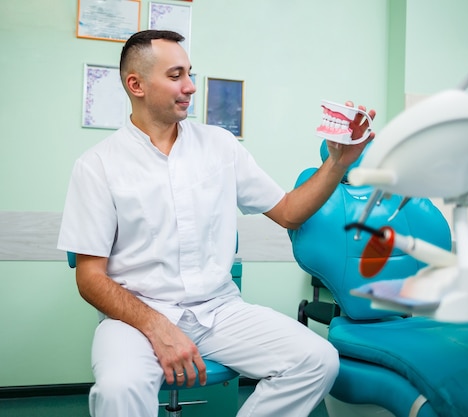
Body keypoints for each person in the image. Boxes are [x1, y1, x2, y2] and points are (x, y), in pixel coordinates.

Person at [57, 29, 375, 417]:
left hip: (218, 310)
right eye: (176, 76)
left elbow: (289, 211)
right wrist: (158, 328)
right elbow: (90, 278)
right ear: (136, 84)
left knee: (317, 359)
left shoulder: (220, 146)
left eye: (190, 73)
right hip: (135, 319)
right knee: (118, 390)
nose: (191, 86)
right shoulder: (97, 166)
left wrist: (338, 162)